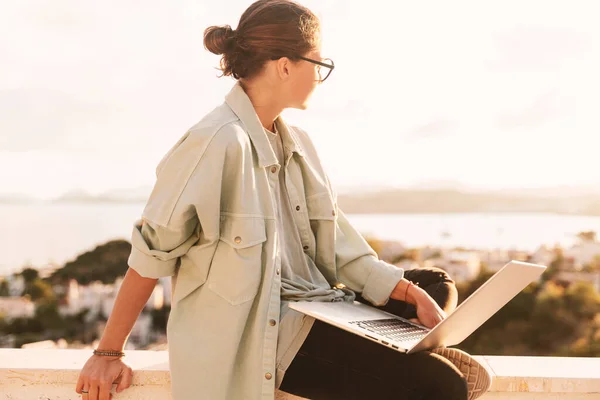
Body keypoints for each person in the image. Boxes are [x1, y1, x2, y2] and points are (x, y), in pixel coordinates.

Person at [75, 1, 492, 399]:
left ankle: (396, 353)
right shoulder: (215, 142)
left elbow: (341, 249)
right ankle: (409, 361)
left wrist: (409, 292)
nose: (320, 76)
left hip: (321, 306)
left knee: (434, 285)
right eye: (320, 64)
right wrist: (108, 353)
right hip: (267, 334)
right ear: (285, 65)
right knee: (441, 386)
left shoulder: (300, 145)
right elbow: (151, 254)